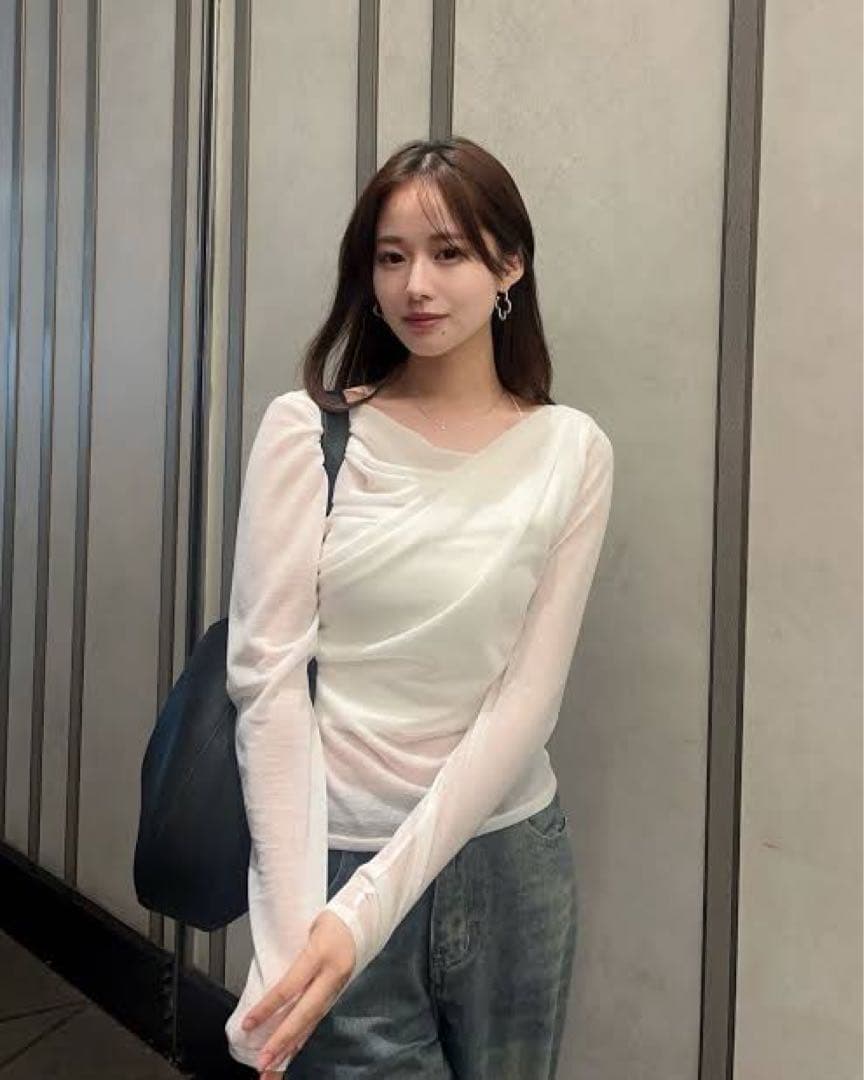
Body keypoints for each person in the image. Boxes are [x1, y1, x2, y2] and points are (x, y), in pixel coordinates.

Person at [223, 136, 614, 1078]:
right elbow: (265, 683)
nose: (416, 286)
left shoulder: (572, 450)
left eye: (449, 253)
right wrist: (299, 926)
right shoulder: (309, 432)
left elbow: (527, 703)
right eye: (391, 257)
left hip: (509, 861)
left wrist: (369, 914)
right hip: (333, 854)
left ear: (509, 265)